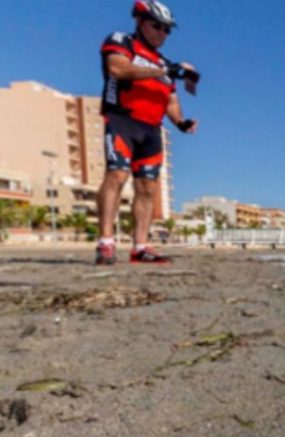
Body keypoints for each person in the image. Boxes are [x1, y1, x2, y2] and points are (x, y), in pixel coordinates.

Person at [95, 0, 199, 264]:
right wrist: (166, 70)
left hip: (152, 130)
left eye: (167, 30)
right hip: (122, 120)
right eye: (157, 27)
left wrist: (182, 122)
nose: (162, 34)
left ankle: (140, 246)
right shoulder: (122, 41)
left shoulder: (164, 64)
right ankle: (106, 242)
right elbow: (117, 68)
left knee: (147, 187)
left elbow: (171, 101)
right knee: (116, 176)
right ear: (140, 22)